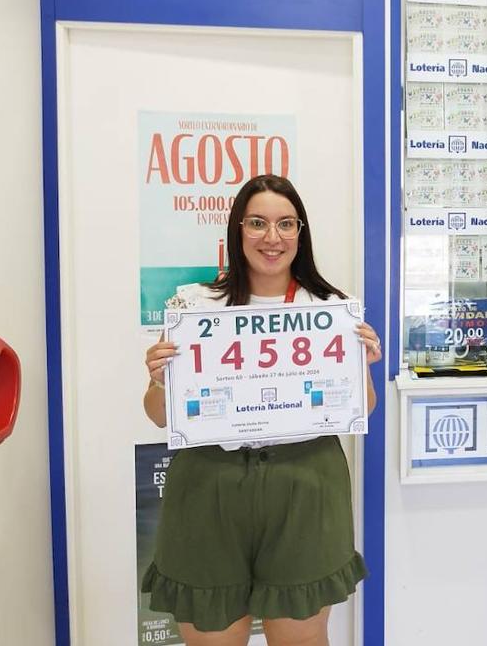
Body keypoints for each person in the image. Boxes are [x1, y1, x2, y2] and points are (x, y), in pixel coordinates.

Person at [141, 174, 380, 646]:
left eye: (286, 224)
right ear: (238, 230)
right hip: (210, 481)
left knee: (302, 637)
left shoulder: (330, 307)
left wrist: (364, 367)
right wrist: (158, 379)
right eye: (258, 223)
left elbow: (361, 409)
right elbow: (158, 415)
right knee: (210, 634)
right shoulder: (194, 305)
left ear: (300, 233)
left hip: (306, 480)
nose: (272, 237)